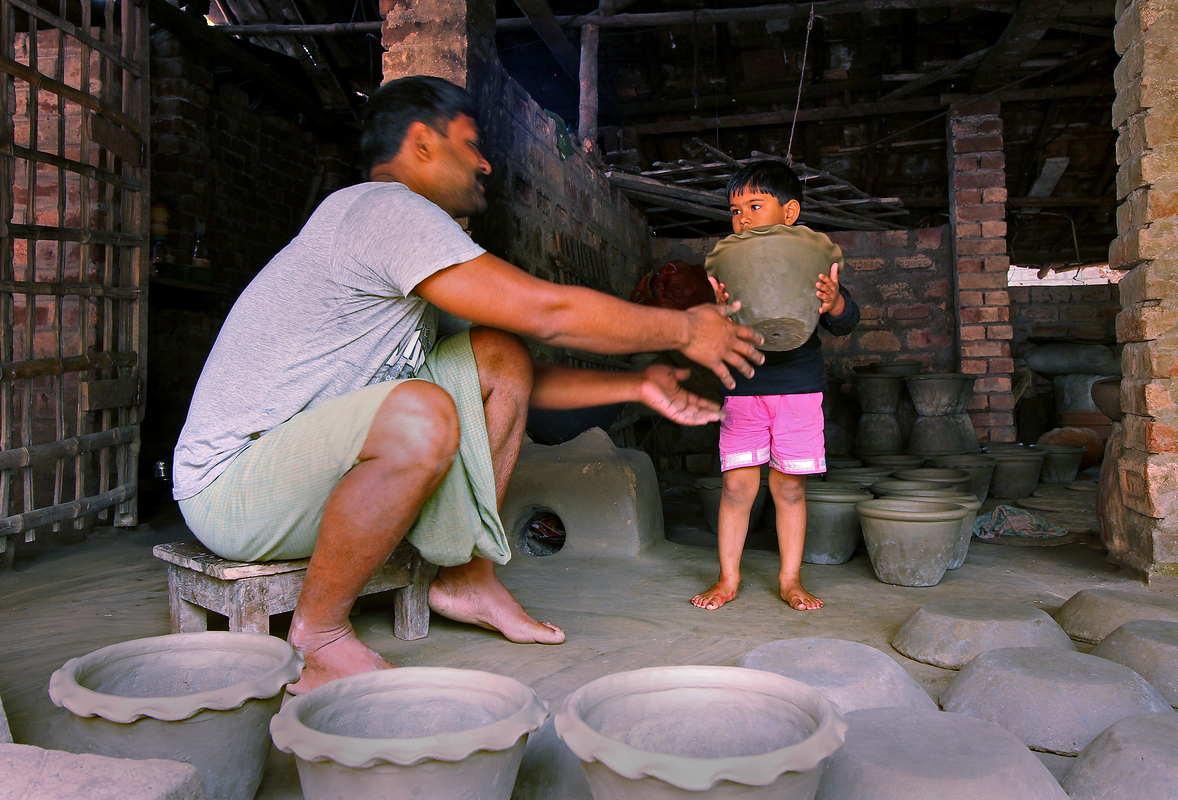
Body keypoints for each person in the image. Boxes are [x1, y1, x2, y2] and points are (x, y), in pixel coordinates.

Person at [172, 75, 765, 693]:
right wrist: (681, 329)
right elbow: (548, 312)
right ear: (423, 144)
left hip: (308, 476)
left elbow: (514, 380)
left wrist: (637, 385)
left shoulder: (420, 255)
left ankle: (469, 580)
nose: (485, 162)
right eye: (471, 143)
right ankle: (318, 634)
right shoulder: (380, 208)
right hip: (231, 488)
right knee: (419, 413)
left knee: (499, 353)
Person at [691, 160, 860, 613]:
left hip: (798, 392)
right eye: (733, 209)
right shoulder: (731, 264)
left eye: (754, 205)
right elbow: (721, 331)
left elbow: (846, 323)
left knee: (789, 490)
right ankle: (728, 578)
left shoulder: (810, 262)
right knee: (736, 489)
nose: (741, 217)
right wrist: (723, 309)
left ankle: (790, 579)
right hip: (743, 392)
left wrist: (835, 301)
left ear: (789, 213)